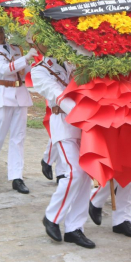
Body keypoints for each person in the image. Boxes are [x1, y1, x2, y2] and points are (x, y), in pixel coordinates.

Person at [31, 37, 95, 249]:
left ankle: (75, 228)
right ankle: (52, 217)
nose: (50, 43)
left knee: (86, 174)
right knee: (73, 172)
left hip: (84, 125)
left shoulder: (71, 61)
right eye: (44, 40)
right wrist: (83, 115)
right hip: (65, 123)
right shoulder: (39, 70)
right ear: (36, 45)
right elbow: (58, 96)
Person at [0, 18, 34, 193]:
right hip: (3, 94)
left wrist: (33, 59)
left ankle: (16, 177)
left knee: (18, 137)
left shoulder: (17, 48)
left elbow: (27, 71)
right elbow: (4, 69)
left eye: (1, 31)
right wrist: (26, 58)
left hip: (20, 94)